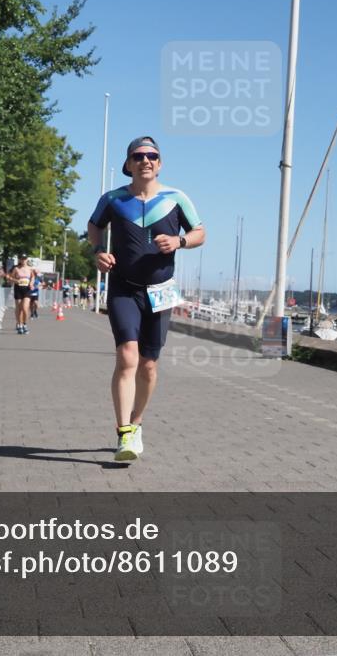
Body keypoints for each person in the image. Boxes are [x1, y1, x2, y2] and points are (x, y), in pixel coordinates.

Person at [88, 136, 204, 462]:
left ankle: (137, 422)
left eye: (152, 155)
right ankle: (124, 433)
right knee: (128, 356)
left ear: (159, 163)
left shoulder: (176, 198)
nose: (145, 160)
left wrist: (180, 242)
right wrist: (98, 252)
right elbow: (94, 226)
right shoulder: (112, 199)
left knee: (149, 366)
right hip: (124, 287)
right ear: (129, 164)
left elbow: (200, 232)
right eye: (138, 156)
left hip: (162, 289)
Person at [10, 255, 36, 334]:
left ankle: (24, 324)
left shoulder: (30, 268)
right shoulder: (16, 268)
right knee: (19, 308)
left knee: (25, 308)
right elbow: (10, 277)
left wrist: (31, 283)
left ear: (27, 259)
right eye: (22, 259)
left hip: (27, 289)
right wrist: (16, 281)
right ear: (20, 260)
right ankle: (19, 324)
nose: (23, 260)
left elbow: (33, 277)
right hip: (18, 289)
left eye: (25, 259)